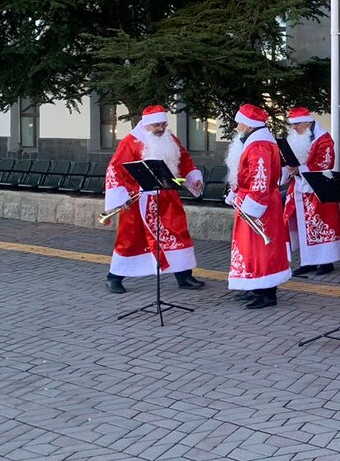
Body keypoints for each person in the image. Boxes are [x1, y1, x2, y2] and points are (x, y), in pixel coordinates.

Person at [103, 104, 205, 294]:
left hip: (167, 199)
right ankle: (114, 276)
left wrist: (193, 178)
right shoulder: (130, 143)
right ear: (146, 124)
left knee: (177, 234)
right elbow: (115, 169)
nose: (161, 129)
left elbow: (183, 159)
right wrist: (120, 196)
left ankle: (184, 276)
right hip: (139, 202)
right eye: (157, 125)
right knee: (130, 239)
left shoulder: (170, 138)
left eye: (163, 125)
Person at [224, 103, 290, 309]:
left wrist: (253, 205)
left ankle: (267, 293)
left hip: (259, 205)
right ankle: (255, 286)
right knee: (251, 248)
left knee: (262, 248)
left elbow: (260, 179)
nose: (237, 128)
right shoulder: (256, 142)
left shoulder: (259, 145)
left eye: (239, 123)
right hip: (251, 202)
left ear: (248, 125)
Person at [281, 107, 340, 278]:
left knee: (321, 225)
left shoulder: (324, 139)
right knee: (303, 227)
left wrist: (299, 170)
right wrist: (290, 169)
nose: (294, 128)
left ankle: (326, 262)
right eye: (292, 125)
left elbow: (325, 163)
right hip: (300, 188)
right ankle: (307, 261)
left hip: (318, 189)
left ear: (307, 122)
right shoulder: (297, 137)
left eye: (297, 124)